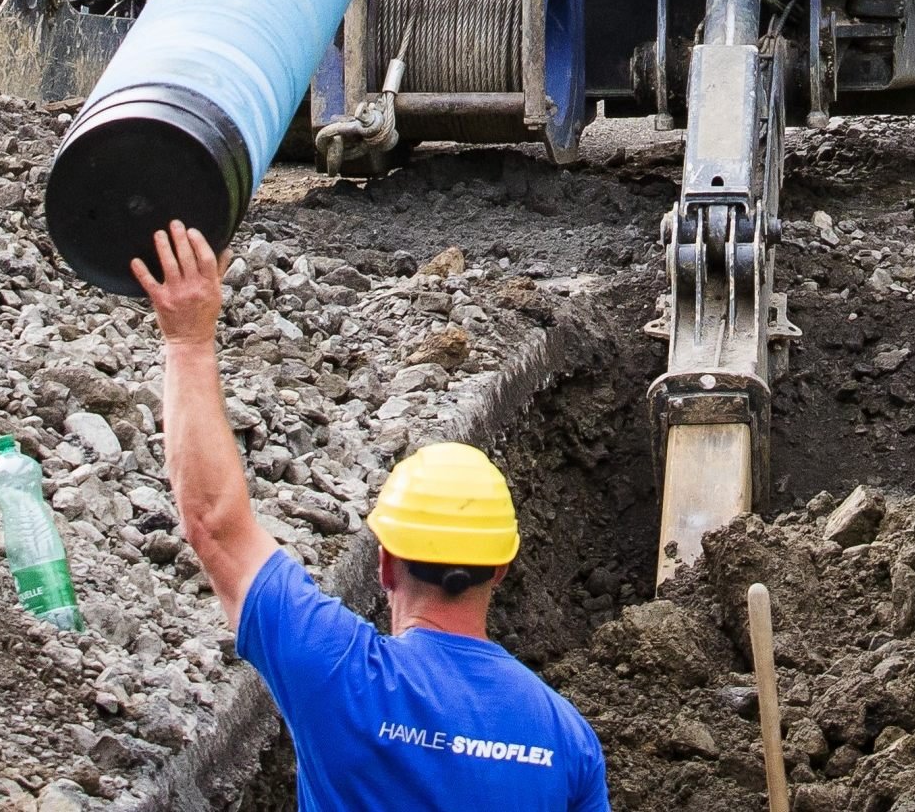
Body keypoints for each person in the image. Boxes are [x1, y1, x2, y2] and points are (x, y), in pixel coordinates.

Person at [134, 221, 608, 812]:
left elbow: (213, 521)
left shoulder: (337, 671)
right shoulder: (568, 743)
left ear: (384, 564)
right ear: (502, 569)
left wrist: (187, 338)